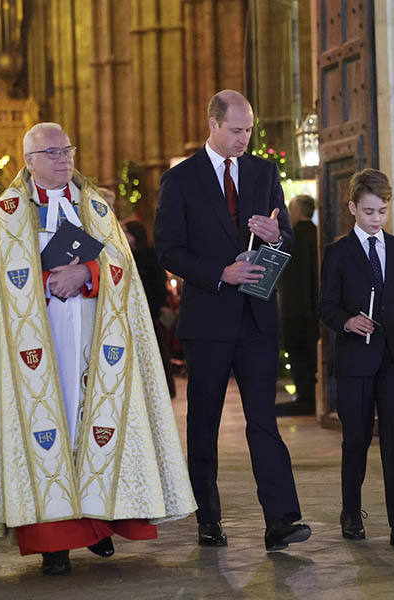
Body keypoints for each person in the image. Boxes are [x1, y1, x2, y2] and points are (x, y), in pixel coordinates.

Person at [0, 122, 196, 576]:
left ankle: (96, 527)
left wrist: (87, 276)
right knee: (45, 432)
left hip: (93, 342)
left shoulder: (94, 205)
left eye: (68, 150)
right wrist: (45, 282)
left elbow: (124, 269)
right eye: (53, 152)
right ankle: (53, 542)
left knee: (92, 426)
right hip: (34, 346)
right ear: (30, 161)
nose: (64, 159)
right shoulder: (7, 214)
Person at [154, 90, 310, 552]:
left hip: (258, 318)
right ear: (213, 123)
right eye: (237, 130)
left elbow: (286, 242)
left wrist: (275, 234)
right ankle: (208, 520)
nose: (245, 139)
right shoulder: (180, 179)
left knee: (264, 421)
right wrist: (219, 273)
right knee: (204, 422)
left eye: (249, 130)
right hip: (207, 319)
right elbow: (168, 248)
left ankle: (281, 520)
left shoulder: (263, 172)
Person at [319, 169, 394, 550]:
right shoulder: (337, 253)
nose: (376, 219)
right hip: (355, 360)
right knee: (356, 439)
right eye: (368, 212)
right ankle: (351, 511)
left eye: (382, 211)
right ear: (352, 208)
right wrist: (347, 320)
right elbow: (325, 305)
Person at [276, 194, 319, 416]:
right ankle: (310, 397)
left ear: (297, 211)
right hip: (315, 310)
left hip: (296, 310)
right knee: (311, 356)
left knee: (300, 355)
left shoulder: (293, 238)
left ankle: (306, 398)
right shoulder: (317, 234)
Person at [124, 219, 176, 398]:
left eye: (127, 232)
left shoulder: (149, 255)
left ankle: (166, 388)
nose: (124, 235)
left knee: (158, 350)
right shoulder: (125, 255)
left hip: (150, 309)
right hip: (133, 309)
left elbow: (158, 284)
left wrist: (157, 306)